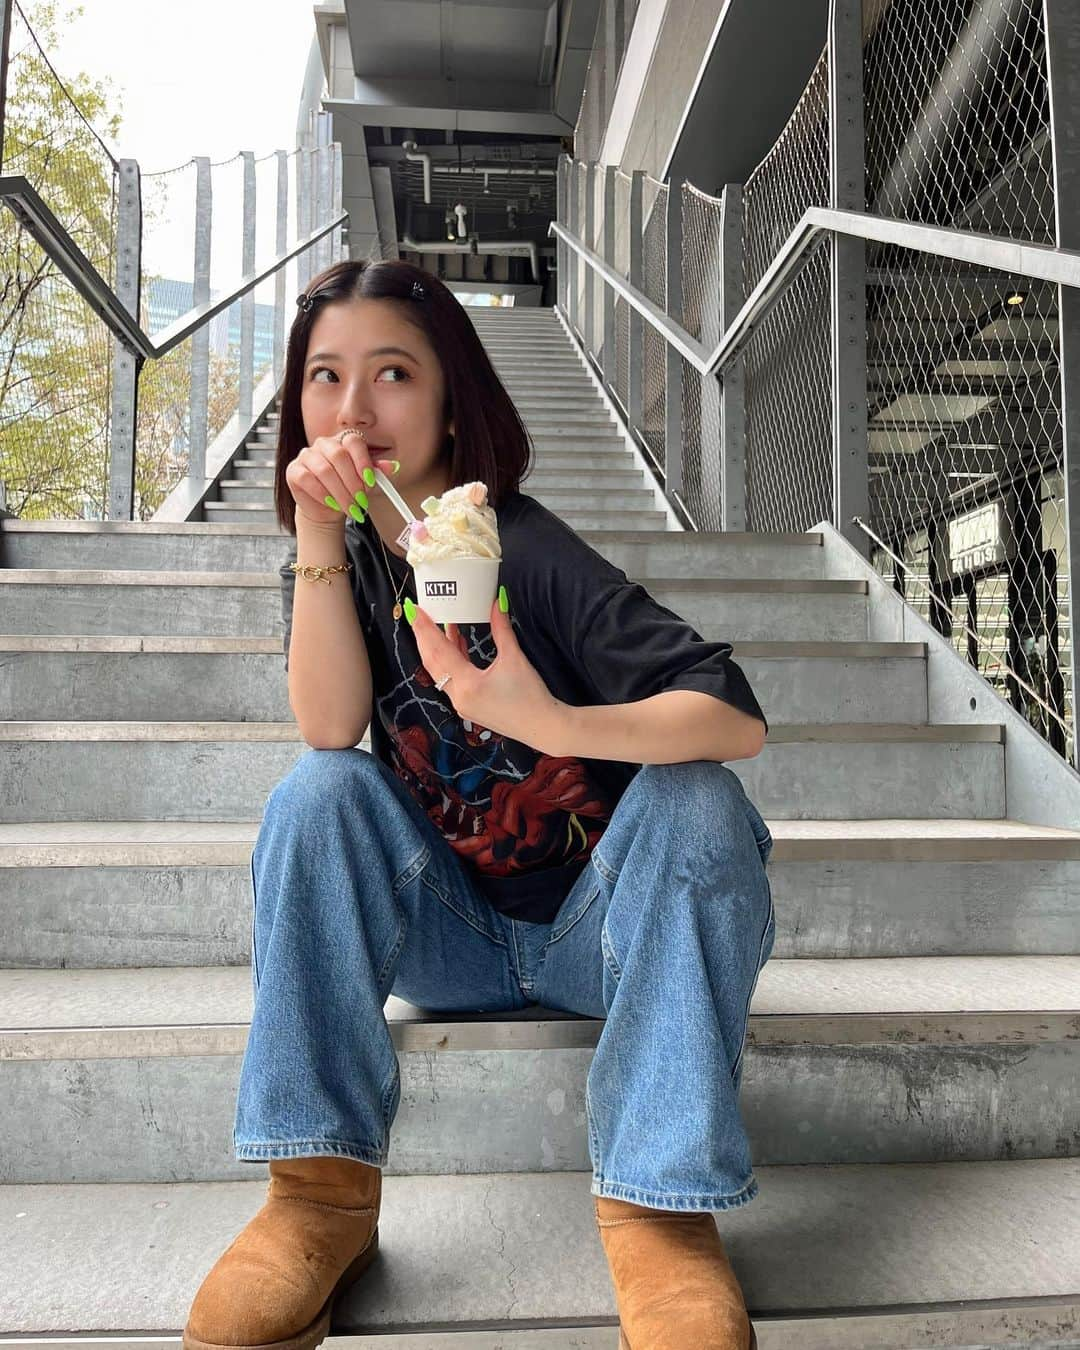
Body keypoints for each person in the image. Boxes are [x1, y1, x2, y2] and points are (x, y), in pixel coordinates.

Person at [182, 258, 774, 1350]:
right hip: (448, 940)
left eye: (392, 373)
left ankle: (658, 1205)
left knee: (698, 802)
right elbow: (327, 728)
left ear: (453, 400)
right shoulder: (347, 561)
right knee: (320, 793)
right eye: (324, 377)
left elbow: (732, 716)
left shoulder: (523, 548)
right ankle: (319, 1195)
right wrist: (319, 538)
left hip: (598, 934)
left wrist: (552, 722)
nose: (352, 410)